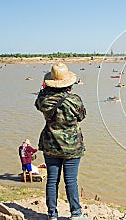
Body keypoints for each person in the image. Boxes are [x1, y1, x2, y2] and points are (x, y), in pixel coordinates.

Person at [35, 63, 87, 220]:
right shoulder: (74, 100)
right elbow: (82, 116)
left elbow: (37, 104)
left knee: (52, 180)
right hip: (72, 146)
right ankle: (76, 214)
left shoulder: (44, 100)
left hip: (50, 144)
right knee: (71, 181)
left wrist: (44, 90)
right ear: (69, 83)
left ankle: (52, 214)